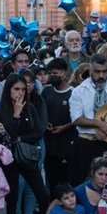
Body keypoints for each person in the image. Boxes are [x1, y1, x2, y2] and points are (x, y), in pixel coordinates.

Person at [0, 72, 49, 214]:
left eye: (23, 89)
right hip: (9, 159)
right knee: (13, 196)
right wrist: (15, 116)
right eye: (16, 89)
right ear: (8, 90)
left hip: (27, 156)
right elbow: (6, 136)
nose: (20, 93)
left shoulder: (30, 107)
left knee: (42, 193)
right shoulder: (1, 111)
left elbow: (38, 131)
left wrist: (19, 138)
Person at [69, 54, 107, 185]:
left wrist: (106, 130)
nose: (101, 75)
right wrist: (100, 125)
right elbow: (77, 119)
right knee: (85, 184)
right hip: (86, 143)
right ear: (90, 70)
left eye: (104, 71)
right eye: (97, 71)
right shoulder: (79, 91)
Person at [40, 58, 78, 187]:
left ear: (64, 73)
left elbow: (78, 118)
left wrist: (64, 127)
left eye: (55, 73)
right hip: (48, 144)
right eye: (50, 74)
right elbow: (41, 111)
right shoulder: (46, 90)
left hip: (66, 145)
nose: (52, 76)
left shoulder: (74, 93)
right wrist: (44, 123)